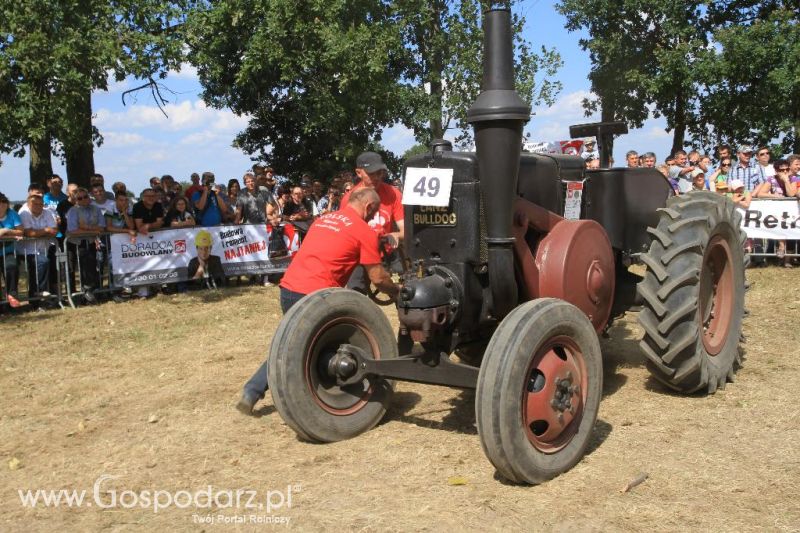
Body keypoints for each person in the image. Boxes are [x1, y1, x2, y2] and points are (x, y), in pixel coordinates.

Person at [237, 188, 399, 415]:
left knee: (294, 344)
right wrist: (397, 292)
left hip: (289, 288)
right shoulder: (364, 231)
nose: (373, 217)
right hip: (315, 297)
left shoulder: (323, 220)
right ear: (369, 207)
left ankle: (251, 392)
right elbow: (378, 278)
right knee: (302, 348)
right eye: (373, 213)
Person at [340, 151, 405, 292]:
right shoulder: (349, 198)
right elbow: (344, 234)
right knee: (355, 297)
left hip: (387, 252)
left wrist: (394, 235)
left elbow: (405, 230)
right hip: (358, 257)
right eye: (372, 173)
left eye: (380, 173)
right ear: (358, 173)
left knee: (404, 293)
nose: (377, 177)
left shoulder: (394, 194)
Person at [66, 187, 105, 303]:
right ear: (76, 200)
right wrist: (93, 231)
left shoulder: (96, 209)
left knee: (94, 266)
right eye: (80, 198)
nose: (83, 199)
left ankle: (93, 291)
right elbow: (73, 230)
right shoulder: (73, 211)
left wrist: (84, 228)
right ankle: (85, 291)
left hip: (93, 242)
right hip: (77, 243)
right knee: (83, 267)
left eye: (85, 196)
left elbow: (102, 227)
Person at [19, 194, 58, 303]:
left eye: (40, 204)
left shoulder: (48, 212)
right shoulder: (24, 213)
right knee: (42, 262)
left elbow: (54, 231)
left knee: (52, 265)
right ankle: (39, 293)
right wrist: (46, 230)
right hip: (26, 250)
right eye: (34, 204)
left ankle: (49, 297)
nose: (38, 206)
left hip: (44, 249)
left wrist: (38, 233)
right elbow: (29, 233)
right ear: (28, 204)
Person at [132, 188, 165, 298]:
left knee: (157, 261)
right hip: (140, 240)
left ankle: (158, 286)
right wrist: (151, 225)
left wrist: (148, 225)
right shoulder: (137, 206)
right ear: (143, 197)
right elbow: (139, 227)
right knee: (142, 263)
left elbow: (160, 223)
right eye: (148, 196)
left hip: (156, 240)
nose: (151, 198)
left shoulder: (158, 206)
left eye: (153, 196)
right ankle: (143, 289)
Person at [0, 192, 23, 308]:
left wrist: (5, 231)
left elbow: (20, 231)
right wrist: (12, 234)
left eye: (4, 201)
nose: (2, 204)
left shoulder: (12, 214)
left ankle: (12, 295)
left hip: (8, 251)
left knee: (12, 267)